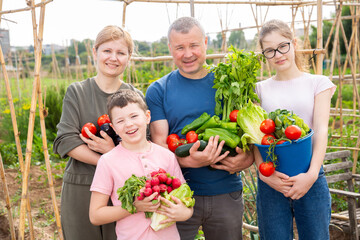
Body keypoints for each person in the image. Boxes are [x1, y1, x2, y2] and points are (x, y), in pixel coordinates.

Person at [145, 16, 254, 240]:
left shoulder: (228, 83)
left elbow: (249, 134)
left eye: (194, 45)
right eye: (179, 47)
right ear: (170, 48)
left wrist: (247, 159)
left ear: (205, 42)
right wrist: (187, 161)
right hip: (178, 195)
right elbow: (159, 144)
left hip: (225, 191)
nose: (187, 54)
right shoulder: (158, 90)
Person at [53, 25, 144, 240]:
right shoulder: (77, 92)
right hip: (82, 186)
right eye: (107, 51)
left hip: (124, 188)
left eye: (121, 53)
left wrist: (113, 153)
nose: (113, 58)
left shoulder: (135, 95)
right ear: (95, 52)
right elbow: (66, 141)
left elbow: (143, 143)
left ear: (129, 57)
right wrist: (109, 158)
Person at [255, 19, 336, 240]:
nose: (278, 54)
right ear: (264, 54)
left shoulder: (318, 83)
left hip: (310, 176)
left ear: (294, 43)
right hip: (272, 180)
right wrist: (264, 176)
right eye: (270, 51)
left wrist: (310, 176)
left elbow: (320, 130)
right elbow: (256, 138)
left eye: (283, 46)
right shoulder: (259, 90)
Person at [89, 89, 193, 239]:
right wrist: (135, 207)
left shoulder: (167, 157)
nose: (129, 124)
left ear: (147, 117)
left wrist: (184, 213)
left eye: (134, 116)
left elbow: (186, 204)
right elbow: (96, 215)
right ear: (113, 128)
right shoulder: (108, 161)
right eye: (120, 121)